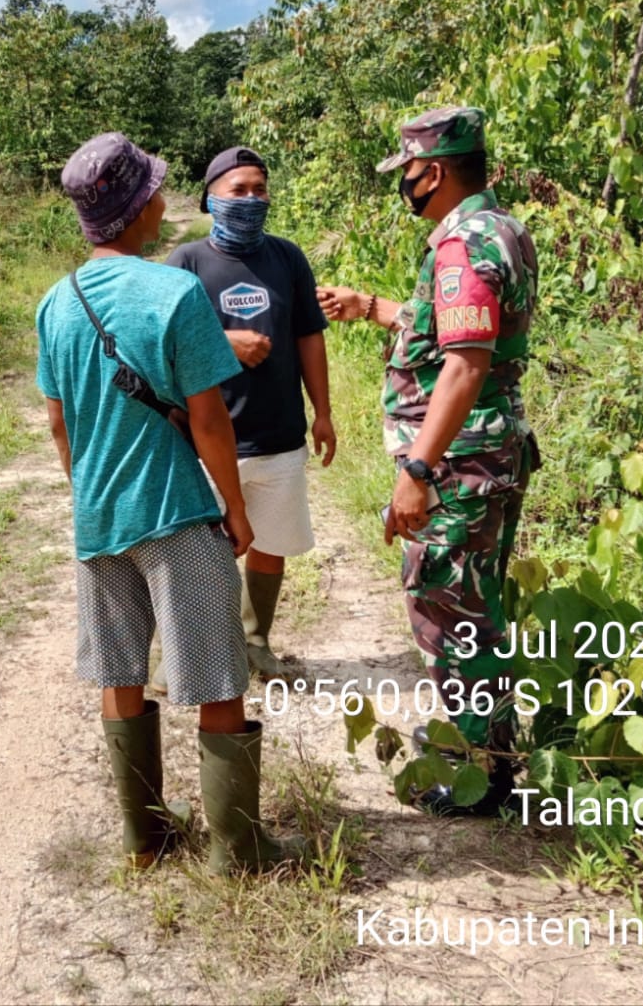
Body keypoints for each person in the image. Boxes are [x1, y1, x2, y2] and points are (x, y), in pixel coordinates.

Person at [36, 132, 306, 874]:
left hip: (100, 519)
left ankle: (146, 841)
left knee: (119, 674)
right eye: (155, 188)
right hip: (178, 514)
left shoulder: (56, 303)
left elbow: (59, 421)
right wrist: (235, 507)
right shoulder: (175, 293)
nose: (163, 197)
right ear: (139, 207)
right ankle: (237, 850)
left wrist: (86, 487)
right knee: (217, 675)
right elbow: (210, 416)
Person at [316, 106, 540, 817]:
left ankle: (477, 777)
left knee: (449, 611)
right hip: (489, 454)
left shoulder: (461, 247)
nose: (404, 184)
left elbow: (465, 366)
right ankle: (489, 748)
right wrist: (374, 306)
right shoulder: (500, 229)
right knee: (477, 605)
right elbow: (460, 331)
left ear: (434, 172)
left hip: (460, 467)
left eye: (407, 172)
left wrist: (416, 471)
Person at [161, 145, 334, 682]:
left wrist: (322, 412)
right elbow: (160, 345)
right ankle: (183, 653)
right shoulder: (186, 263)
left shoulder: (287, 257)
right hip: (206, 440)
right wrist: (222, 341)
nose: (252, 199)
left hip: (278, 434)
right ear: (211, 198)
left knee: (270, 545)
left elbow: (309, 337)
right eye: (239, 190)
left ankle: (256, 642)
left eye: (260, 189)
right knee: (200, 553)